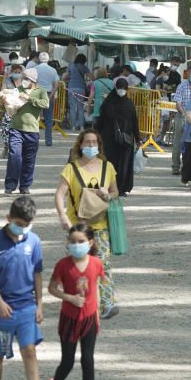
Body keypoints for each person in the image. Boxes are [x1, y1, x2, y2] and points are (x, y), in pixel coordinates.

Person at [0, 196, 53, 380]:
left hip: (26, 307)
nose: (22, 229)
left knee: (30, 351)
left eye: (27, 225)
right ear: (9, 219)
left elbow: (37, 274)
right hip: (1, 311)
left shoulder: (34, 242)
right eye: (19, 224)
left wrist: (40, 303)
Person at [40, 223, 104, 380]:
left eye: (81, 241)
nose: (77, 245)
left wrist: (98, 314)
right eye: (73, 242)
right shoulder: (63, 265)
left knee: (88, 360)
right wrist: (69, 297)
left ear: (90, 242)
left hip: (89, 319)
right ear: (68, 243)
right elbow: (51, 288)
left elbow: (96, 288)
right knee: (67, 361)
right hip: (69, 319)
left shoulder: (96, 263)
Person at [54, 129, 119, 320]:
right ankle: (77, 302)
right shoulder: (71, 169)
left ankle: (108, 303)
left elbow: (116, 191)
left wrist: (108, 194)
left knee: (104, 265)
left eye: (94, 143)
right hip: (78, 228)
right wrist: (63, 217)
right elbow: (59, 194)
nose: (91, 146)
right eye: (87, 143)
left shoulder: (108, 168)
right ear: (80, 145)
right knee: (77, 267)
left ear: (99, 145)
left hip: (101, 225)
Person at [4, 68, 49, 195]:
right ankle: (10, 185)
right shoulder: (18, 89)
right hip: (16, 129)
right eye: (23, 78)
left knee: (29, 161)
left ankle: (24, 186)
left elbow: (46, 104)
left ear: (32, 80)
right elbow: (9, 103)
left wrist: (29, 99)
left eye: (26, 78)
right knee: (14, 156)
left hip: (32, 131)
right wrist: (4, 101)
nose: (23, 80)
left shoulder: (41, 91)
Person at [96, 79, 141, 195]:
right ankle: (119, 188)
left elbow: (100, 121)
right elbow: (134, 122)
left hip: (111, 139)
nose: (122, 91)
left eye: (123, 88)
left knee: (113, 163)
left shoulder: (109, 102)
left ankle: (115, 188)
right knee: (121, 164)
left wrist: (138, 138)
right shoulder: (128, 103)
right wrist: (137, 138)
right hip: (122, 140)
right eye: (120, 88)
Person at [171, 63, 191, 175]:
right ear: (187, 73)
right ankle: (175, 166)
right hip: (182, 117)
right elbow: (178, 103)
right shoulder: (182, 86)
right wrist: (183, 113)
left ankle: (189, 167)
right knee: (178, 142)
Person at [36, 52, 60, 146]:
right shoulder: (53, 70)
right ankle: (48, 140)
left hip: (37, 94)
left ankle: (34, 139)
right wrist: (51, 96)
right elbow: (56, 84)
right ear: (48, 59)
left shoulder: (35, 69)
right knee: (49, 119)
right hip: (49, 93)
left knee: (35, 118)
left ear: (39, 59)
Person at [0, 62, 24, 158]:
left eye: (19, 72)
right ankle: (6, 146)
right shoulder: (7, 81)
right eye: (15, 72)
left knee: (18, 130)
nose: (17, 73)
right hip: (9, 109)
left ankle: (15, 150)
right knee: (6, 129)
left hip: (20, 109)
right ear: (11, 72)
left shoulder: (24, 82)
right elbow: (3, 92)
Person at [63, 54, 91, 131]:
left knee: (72, 108)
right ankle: (81, 127)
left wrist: (70, 78)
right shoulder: (84, 67)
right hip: (81, 88)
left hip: (71, 88)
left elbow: (64, 77)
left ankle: (73, 127)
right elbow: (92, 77)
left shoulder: (71, 66)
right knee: (80, 108)